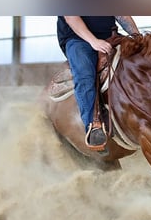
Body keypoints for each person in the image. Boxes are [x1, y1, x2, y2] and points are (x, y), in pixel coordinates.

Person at [57, 16, 139, 150]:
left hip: (110, 36)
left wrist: (137, 36)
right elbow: (71, 18)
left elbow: (121, 15)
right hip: (79, 39)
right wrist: (94, 41)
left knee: (140, 58)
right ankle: (93, 126)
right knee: (85, 74)